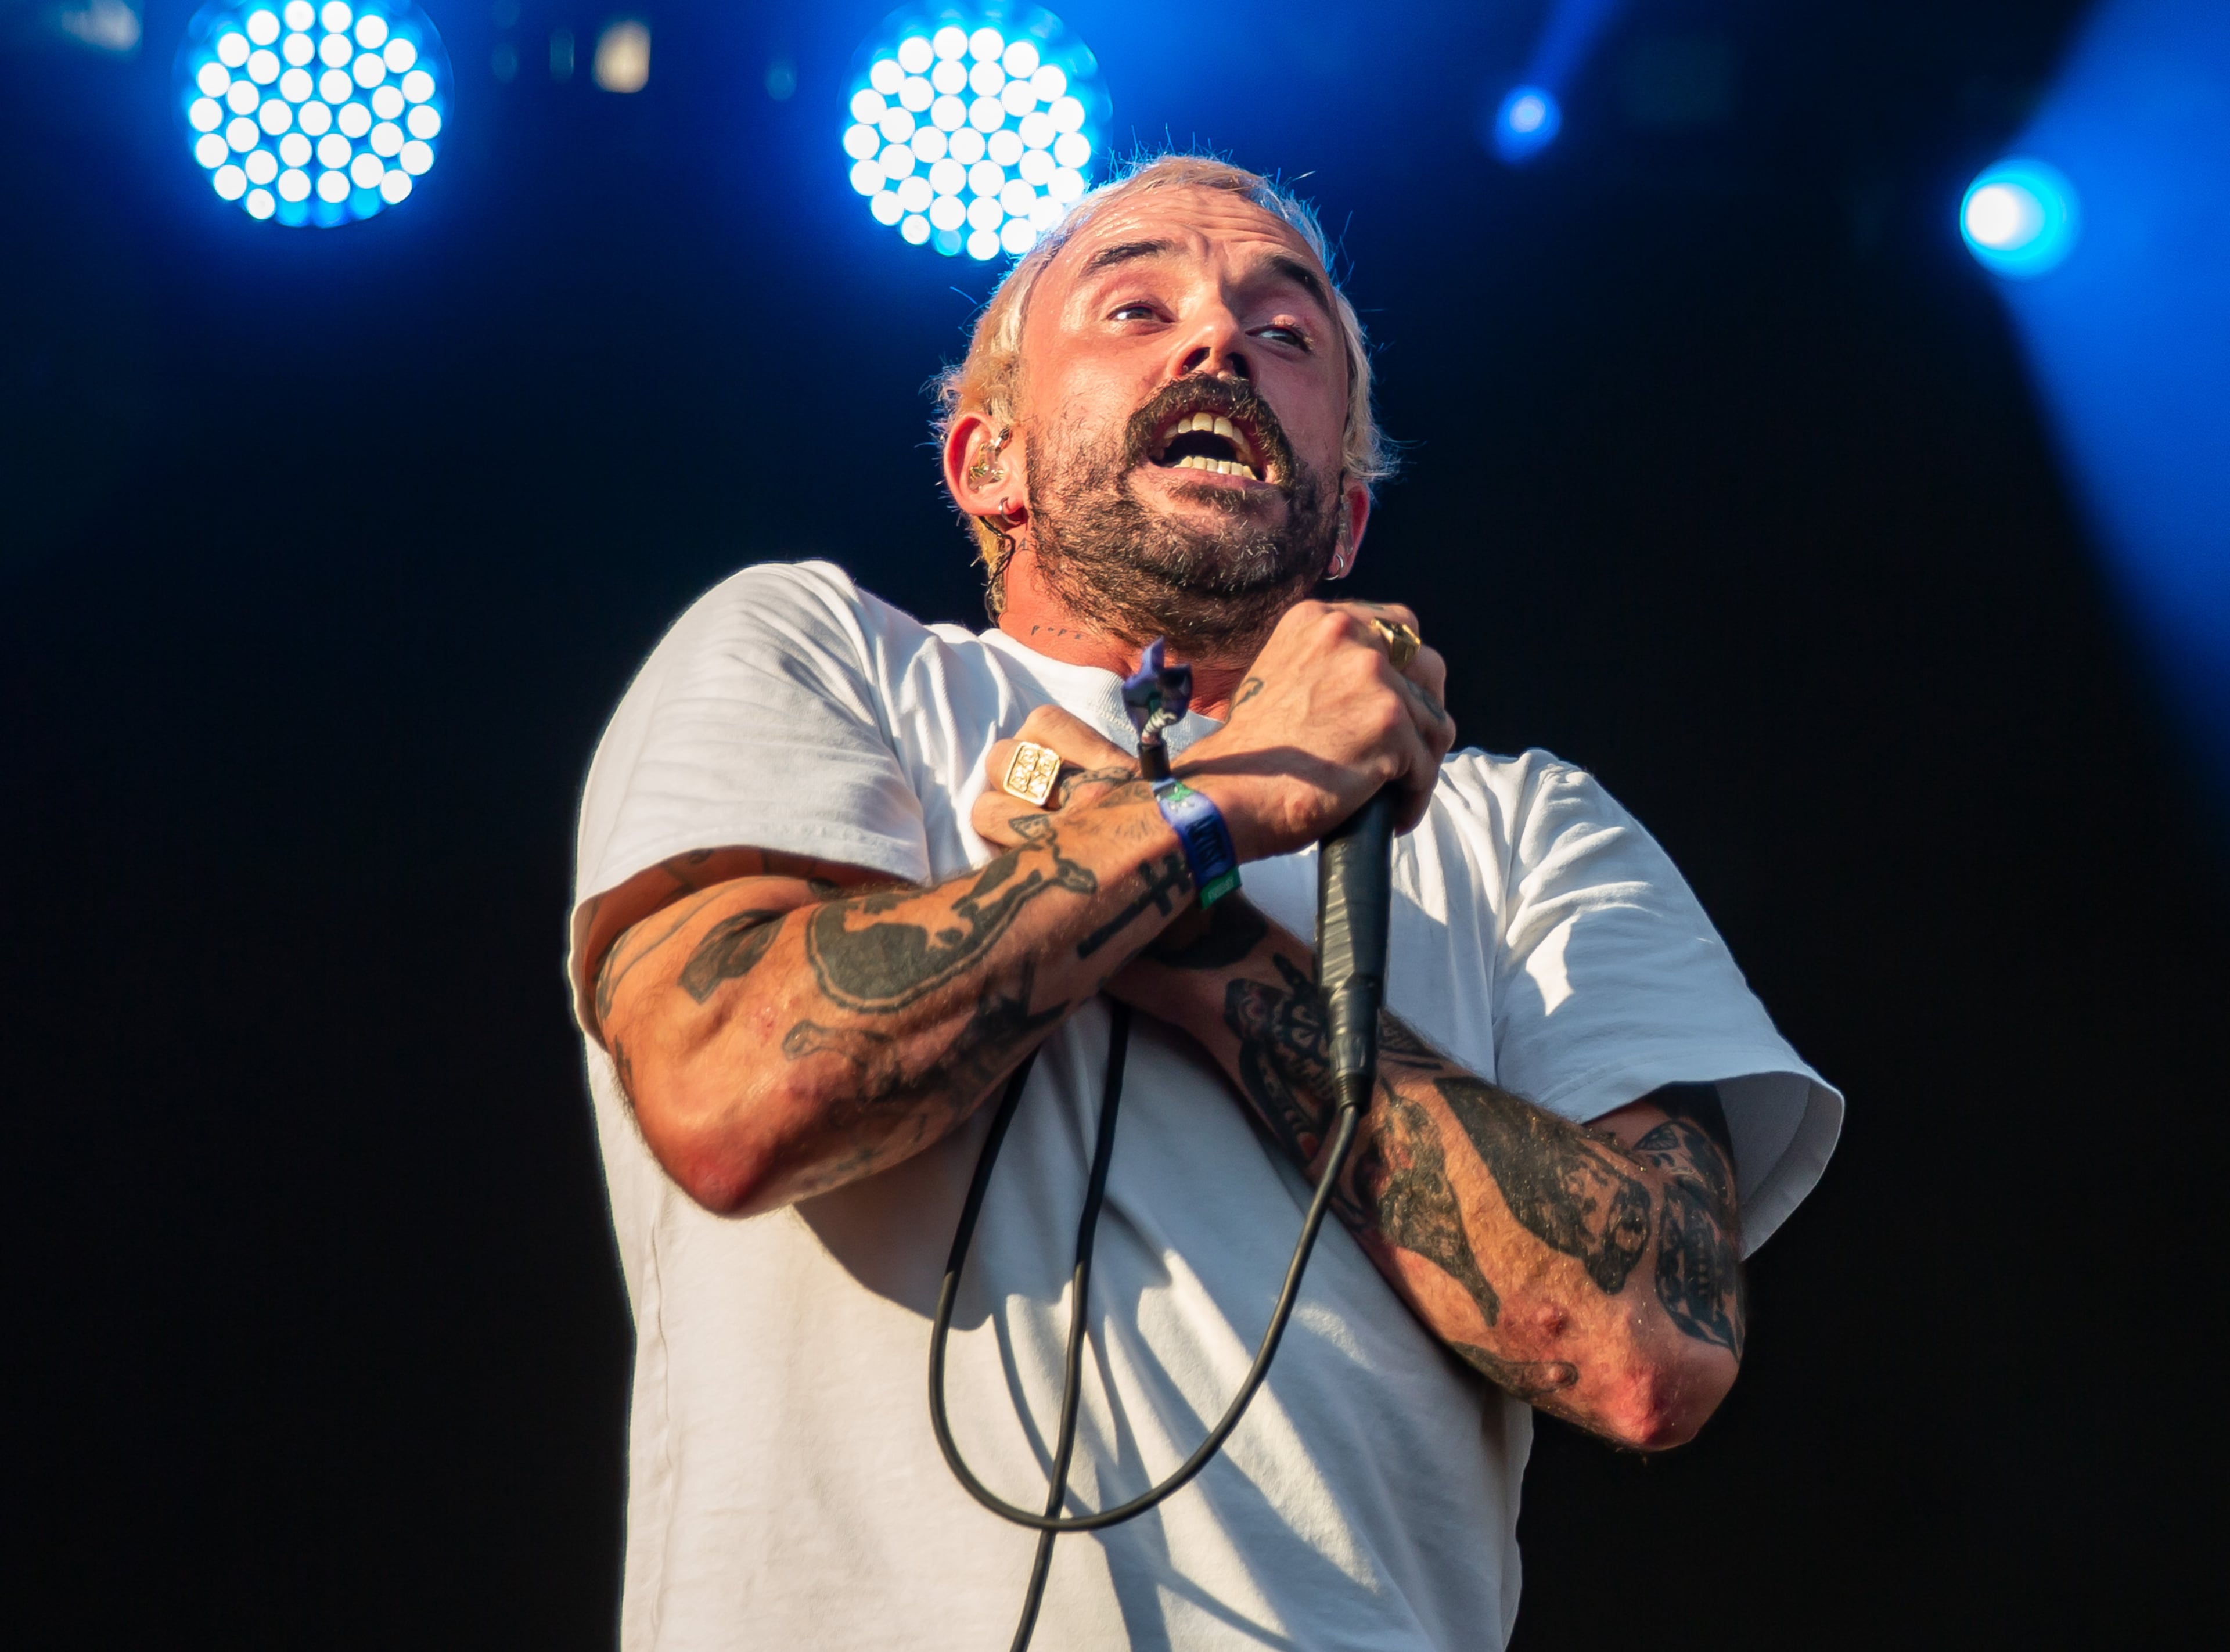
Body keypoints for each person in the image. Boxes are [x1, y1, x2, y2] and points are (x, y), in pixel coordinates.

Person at [568, 155, 1841, 1650]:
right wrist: (1222, 805)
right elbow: (733, 1093)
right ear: (992, 464)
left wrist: (1186, 909)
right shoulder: (820, 657)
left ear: (1348, 519)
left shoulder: (1526, 827)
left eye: (1288, 334)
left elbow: (1649, 1348)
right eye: (1134, 303)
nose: (1218, 341)